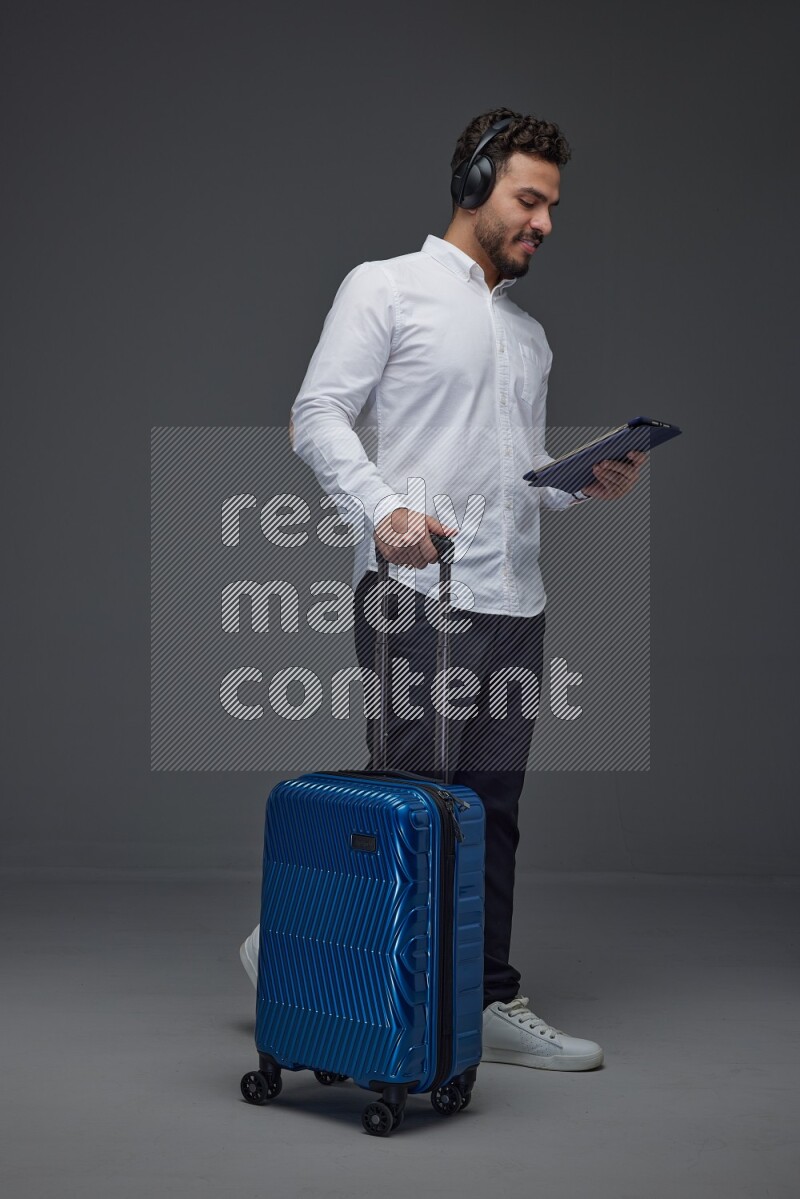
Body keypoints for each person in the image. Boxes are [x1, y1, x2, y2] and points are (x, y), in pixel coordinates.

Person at [240, 107, 645, 1071]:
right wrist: (384, 508)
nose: (544, 223)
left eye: (553, 207)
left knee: (492, 805)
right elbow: (316, 415)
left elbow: (508, 476)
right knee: (412, 798)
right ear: (474, 184)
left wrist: (578, 482)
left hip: (514, 598)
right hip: (414, 592)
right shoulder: (386, 287)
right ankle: (331, 964)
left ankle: (486, 997)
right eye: (530, 200)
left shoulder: (528, 336)